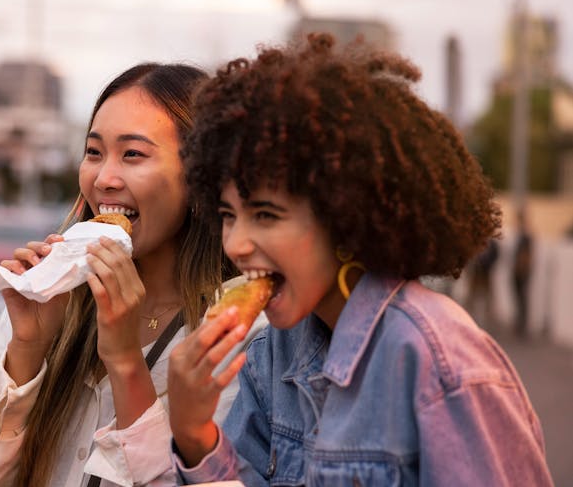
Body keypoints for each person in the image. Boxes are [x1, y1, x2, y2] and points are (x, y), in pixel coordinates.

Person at [167, 34, 553, 486]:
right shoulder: (269, 356)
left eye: (266, 214)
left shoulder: (440, 361)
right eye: (228, 215)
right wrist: (195, 436)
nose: (235, 244)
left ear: (346, 215)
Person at [0, 62, 264, 487]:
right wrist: (28, 348)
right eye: (94, 152)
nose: (104, 178)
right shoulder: (54, 301)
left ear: (200, 180)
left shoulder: (236, 333)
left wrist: (127, 360)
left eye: (133, 154)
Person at [512, 209, 533, 338]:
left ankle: (523, 325)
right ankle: (520, 323)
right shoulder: (521, 235)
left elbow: (527, 255)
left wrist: (522, 269)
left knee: (522, 299)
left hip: (522, 273)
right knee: (519, 298)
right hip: (518, 272)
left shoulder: (526, 236)